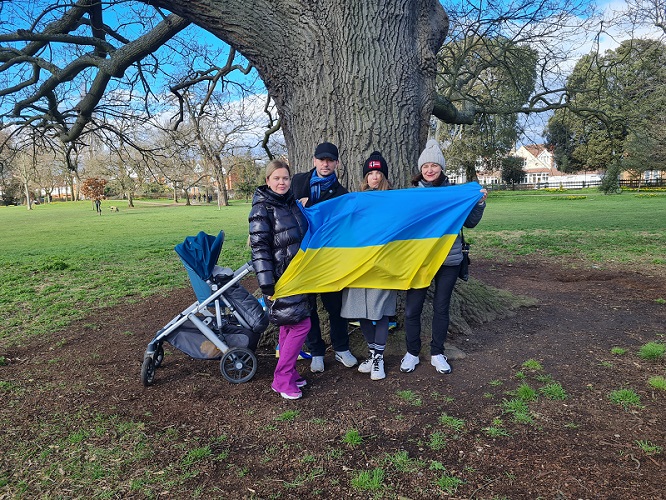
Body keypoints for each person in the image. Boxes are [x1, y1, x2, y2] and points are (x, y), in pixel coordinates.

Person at [400, 139, 488, 375]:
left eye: (434, 166)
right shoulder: (411, 195)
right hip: (419, 260)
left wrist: (478, 203)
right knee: (412, 309)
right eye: (426, 166)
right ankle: (412, 352)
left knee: (441, 307)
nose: (430, 170)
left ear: (442, 169)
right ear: (420, 169)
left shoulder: (454, 194)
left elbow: (469, 223)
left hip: (449, 259)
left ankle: (437, 353)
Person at [291, 142, 357, 373]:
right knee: (307, 307)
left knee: (335, 306)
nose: (325, 164)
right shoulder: (297, 182)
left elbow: (345, 228)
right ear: (314, 160)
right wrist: (297, 208)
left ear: (337, 163)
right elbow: (280, 208)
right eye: (321, 159)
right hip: (302, 256)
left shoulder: (342, 194)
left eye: (330, 160)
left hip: (329, 260)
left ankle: (341, 348)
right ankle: (316, 351)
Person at [249, 159, 311, 399]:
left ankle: (289, 372)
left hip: (298, 275)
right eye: (276, 178)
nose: (282, 182)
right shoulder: (262, 209)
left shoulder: (292, 204)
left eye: (285, 178)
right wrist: (266, 283)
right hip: (280, 278)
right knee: (301, 325)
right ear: (268, 181)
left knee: (289, 325)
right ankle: (282, 379)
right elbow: (260, 249)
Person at [340, 151, 397, 380]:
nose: (374, 177)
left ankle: (378, 360)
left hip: (383, 265)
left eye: (378, 172)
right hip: (359, 265)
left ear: (384, 176)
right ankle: (374, 355)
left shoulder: (394, 199)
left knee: (380, 310)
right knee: (361, 311)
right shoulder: (357, 200)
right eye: (370, 173)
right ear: (365, 177)